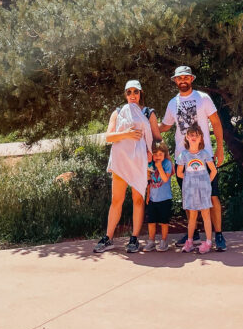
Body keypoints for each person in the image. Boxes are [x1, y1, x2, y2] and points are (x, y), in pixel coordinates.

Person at [160, 65, 227, 252]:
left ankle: (219, 234)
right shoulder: (172, 103)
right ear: (175, 81)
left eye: (186, 77)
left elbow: (216, 122)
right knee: (188, 198)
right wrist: (145, 127)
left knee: (212, 196)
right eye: (179, 78)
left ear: (191, 79)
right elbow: (164, 126)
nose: (182, 81)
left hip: (203, 156)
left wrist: (220, 148)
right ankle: (194, 234)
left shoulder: (203, 98)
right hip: (183, 158)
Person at [93, 80, 153, 254]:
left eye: (136, 91)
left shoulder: (147, 113)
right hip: (120, 161)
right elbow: (109, 137)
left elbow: (154, 137)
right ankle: (108, 238)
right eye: (129, 92)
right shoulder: (118, 112)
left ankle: (134, 238)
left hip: (139, 162)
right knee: (116, 200)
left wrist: (152, 152)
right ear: (125, 94)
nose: (132, 95)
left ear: (141, 93)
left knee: (138, 200)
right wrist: (127, 134)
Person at [177, 125, 217, 253]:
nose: (194, 137)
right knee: (192, 216)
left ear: (201, 138)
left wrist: (206, 182)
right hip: (190, 190)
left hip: (203, 190)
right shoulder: (183, 155)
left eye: (197, 135)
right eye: (191, 135)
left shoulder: (204, 153)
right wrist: (190, 181)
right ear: (187, 137)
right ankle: (189, 241)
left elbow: (214, 171)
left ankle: (209, 242)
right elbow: (179, 173)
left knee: (206, 214)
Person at [142, 140, 174, 252]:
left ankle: (164, 241)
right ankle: (151, 241)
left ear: (165, 154)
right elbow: (149, 181)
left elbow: (165, 179)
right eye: (155, 154)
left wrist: (159, 167)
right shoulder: (151, 164)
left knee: (164, 221)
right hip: (152, 199)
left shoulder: (167, 164)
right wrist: (147, 195)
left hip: (165, 198)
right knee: (151, 221)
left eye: (160, 154)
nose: (158, 157)